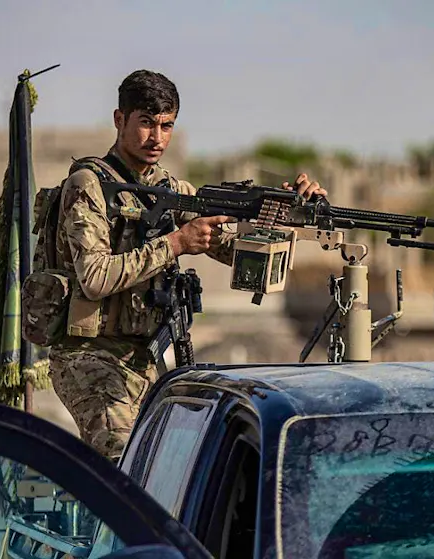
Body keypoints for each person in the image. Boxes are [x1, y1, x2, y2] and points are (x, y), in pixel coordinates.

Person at [46, 69, 327, 462]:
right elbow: (93, 278)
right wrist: (177, 242)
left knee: (177, 466)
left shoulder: (171, 190)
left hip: (145, 359)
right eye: (145, 123)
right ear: (119, 119)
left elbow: (237, 253)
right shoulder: (87, 185)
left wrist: (283, 215)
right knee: (124, 465)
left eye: (166, 125)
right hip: (89, 356)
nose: (156, 137)